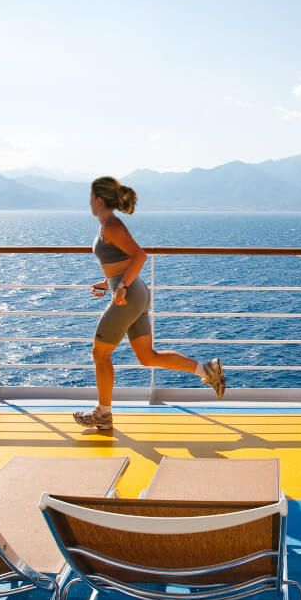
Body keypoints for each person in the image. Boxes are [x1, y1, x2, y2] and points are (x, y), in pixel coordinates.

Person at [74, 176, 225, 432]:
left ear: (99, 200)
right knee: (146, 357)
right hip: (133, 292)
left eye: (90, 197)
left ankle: (103, 413)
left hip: (130, 295)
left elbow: (139, 255)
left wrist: (120, 288)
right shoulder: (107, 226)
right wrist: (108, 284)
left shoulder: (112, 225)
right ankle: (207, 370)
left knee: (100, 353)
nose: (88, 201)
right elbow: (120, 263)